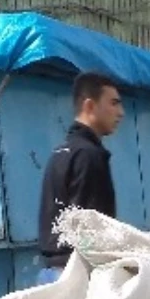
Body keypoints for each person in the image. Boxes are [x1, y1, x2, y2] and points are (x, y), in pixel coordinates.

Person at [38, 72, 124, 261]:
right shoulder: (89, 155)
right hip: (79, 271)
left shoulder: (59, 153)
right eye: (114, 103)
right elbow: (93, 231)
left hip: (54, 269)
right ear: (90, 106)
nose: (121, 112)